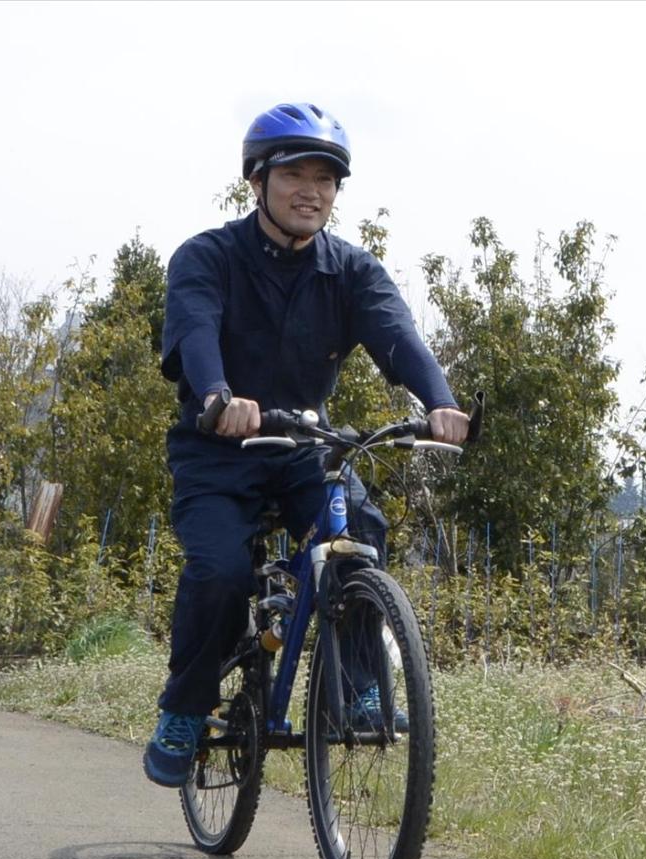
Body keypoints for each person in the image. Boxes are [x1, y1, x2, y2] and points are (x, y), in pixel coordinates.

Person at [144, 103, 468, 787]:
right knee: (220, 571)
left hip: (302, 447)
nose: (311, 191)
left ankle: (358, 689)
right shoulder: (207, 257)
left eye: (326, 178)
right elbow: (196, 331)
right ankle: (186, 705)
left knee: (360, 537)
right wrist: (216, 397)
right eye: (295, 173)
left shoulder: (350, 271)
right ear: (257, 180)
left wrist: (439, 401)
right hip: (218, 452)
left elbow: (396, 334)